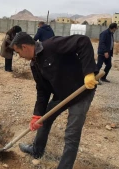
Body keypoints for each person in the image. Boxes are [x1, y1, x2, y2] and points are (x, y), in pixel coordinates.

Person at [10, 32, 98, 169]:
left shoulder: (52, 45)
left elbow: (83, 41)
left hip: (81, 92)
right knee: (44, 119)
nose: (19, 56)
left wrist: (89, 73)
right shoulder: (34, 64)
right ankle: (37, 150)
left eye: (18, 52)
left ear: (25, 47)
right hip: (63, 95)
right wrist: (37, 114)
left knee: (71, 135)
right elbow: (42, 90)